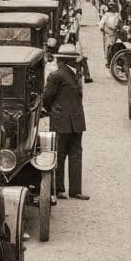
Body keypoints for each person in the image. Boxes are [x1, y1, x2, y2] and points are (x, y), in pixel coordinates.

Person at [42, 44, 89, 201]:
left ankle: (74, 190)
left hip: (73, 121)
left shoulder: (72, 74)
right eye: (75, 59)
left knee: (74, 155)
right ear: (69, 60)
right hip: (63, 121)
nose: (78, 61)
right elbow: (46, 98)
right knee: (60, 155)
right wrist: (55, 111)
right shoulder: (57, 76)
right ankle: (59, 189)